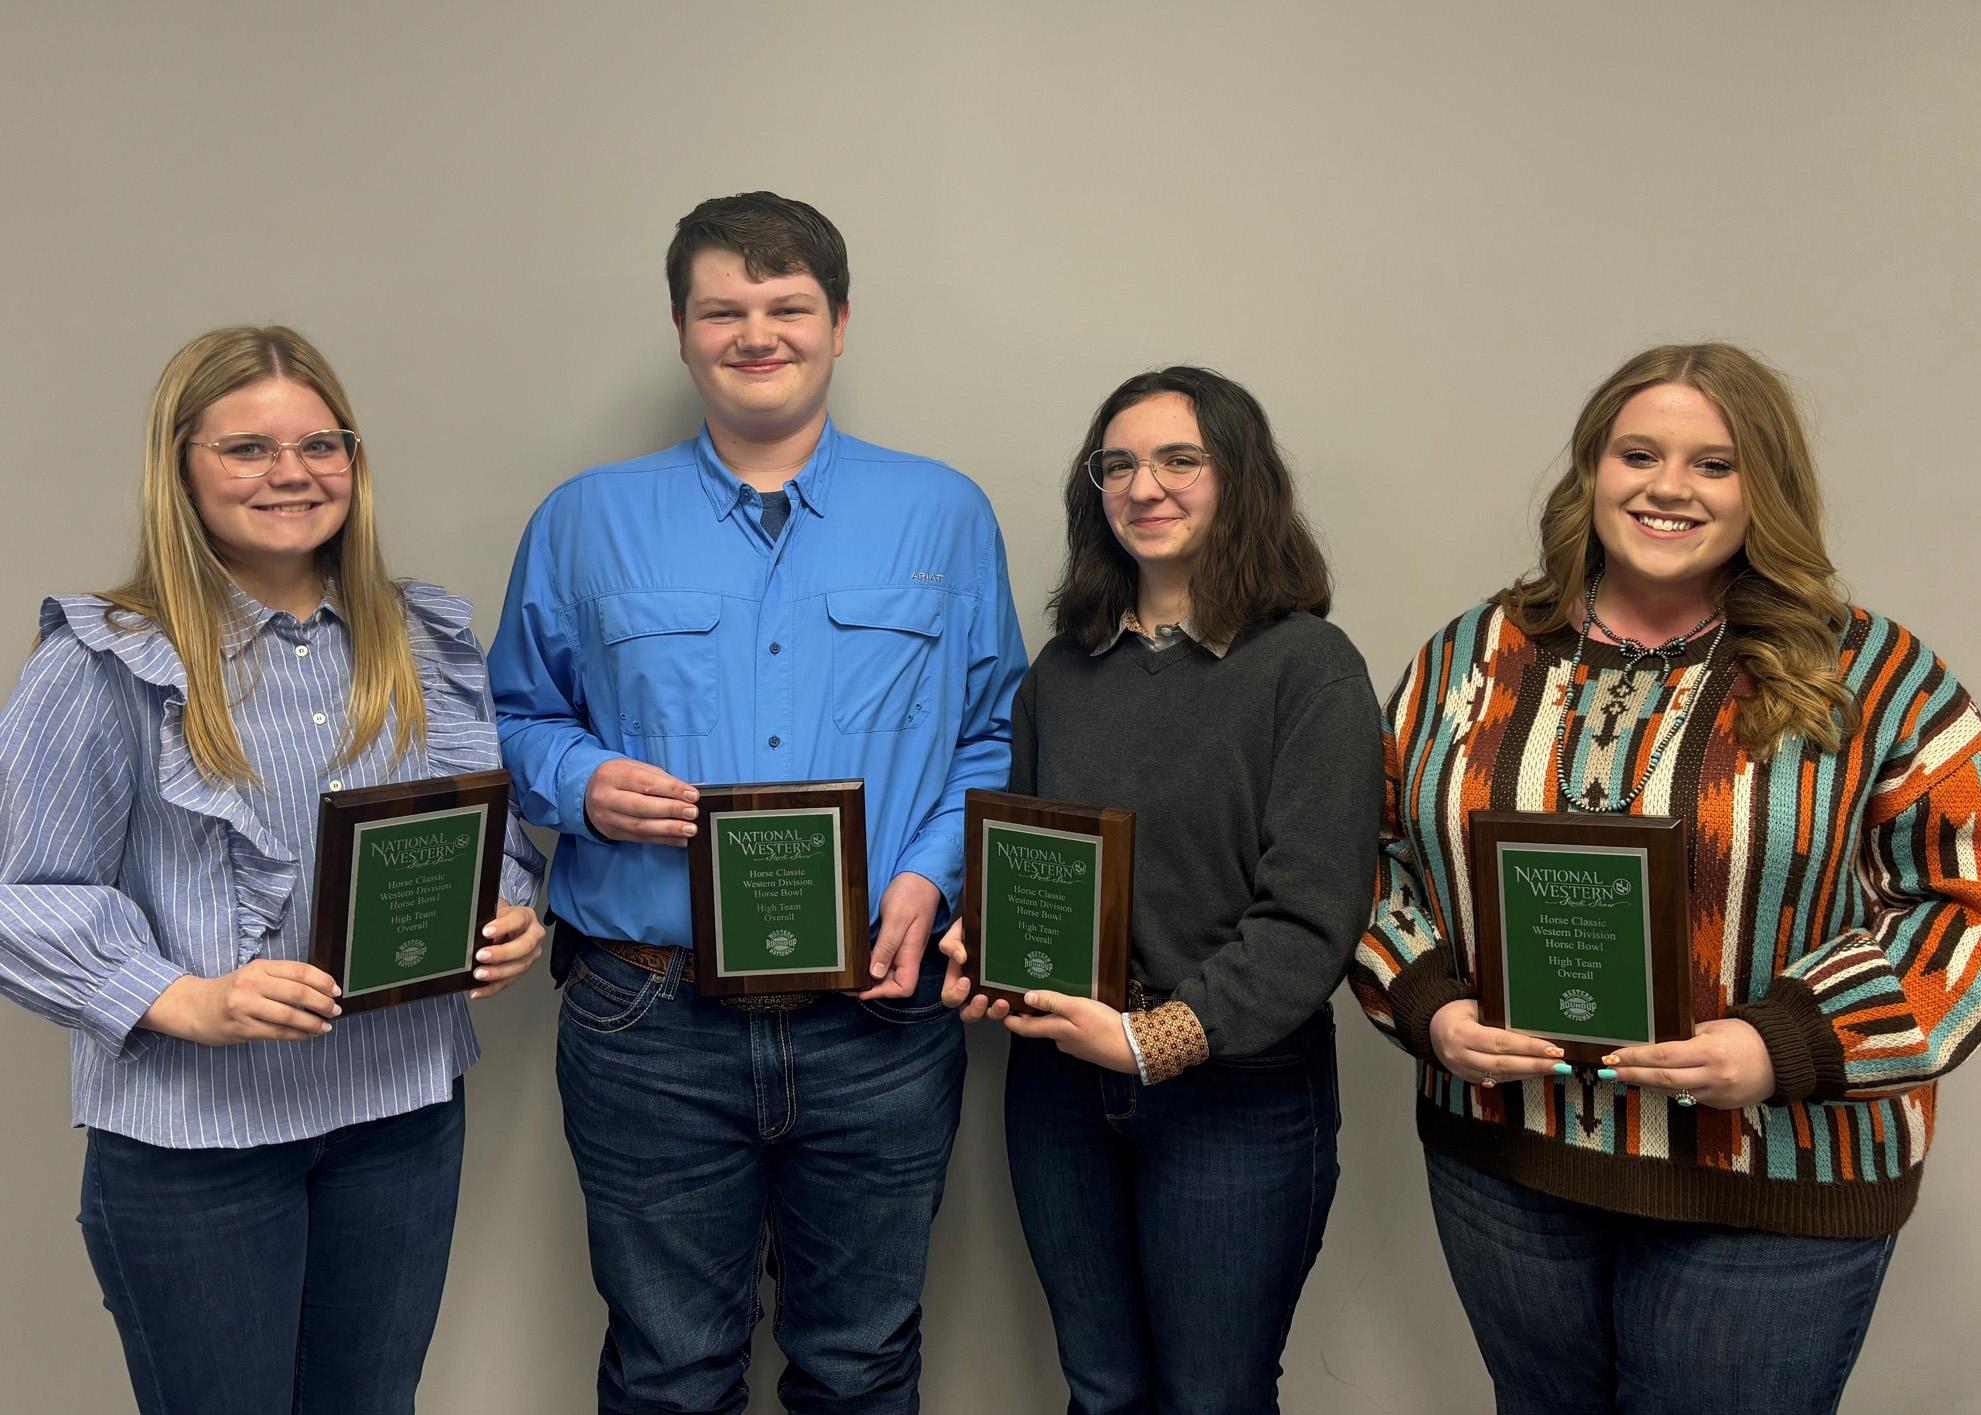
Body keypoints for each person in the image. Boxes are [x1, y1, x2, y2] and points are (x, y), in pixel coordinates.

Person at [1350, 343, 1981, 1414]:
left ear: (1763, 488)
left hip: (1772, 1178)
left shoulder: (1872, 673)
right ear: (1591, 468)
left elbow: (1957, 906)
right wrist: (1430, 1004)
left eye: (1714, 464)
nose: (1667, 487)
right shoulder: (1467, 656)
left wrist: (1779, 1044)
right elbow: (1371, 853)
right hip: (1507, 1156)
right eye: (1637, 452)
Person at [489, 190, 1027, 1415]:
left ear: (840, 323)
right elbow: (511, 722)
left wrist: (928, 872)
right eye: (722, 308)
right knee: (670, 1371)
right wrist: (580, 783)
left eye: (787, 306)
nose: (755, 332)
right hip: (648, 1018)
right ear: (680, 330)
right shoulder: (584, 521)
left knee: (861, 1363)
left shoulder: (942, 511)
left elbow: (993, 731)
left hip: (878, 1019)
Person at [0, 325, 547, 1415]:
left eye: (320, 442)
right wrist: (183, 996)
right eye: (246, 447)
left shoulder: (419, 636)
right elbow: (20, 894)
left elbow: (490, 830)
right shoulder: (104, 660)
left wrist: (511, 912)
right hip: (198, 1144)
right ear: (181, 466)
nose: (292, 471)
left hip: (400, 1117)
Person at [939, 366, 1383, 1414]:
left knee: (1212, 1396)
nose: (1146, 486)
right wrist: (985, 948)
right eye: (1118, 465)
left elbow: (1311, 914)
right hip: (1056, 1091)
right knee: (1100, 1389)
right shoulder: (1060, 672)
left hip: (1232, 1095)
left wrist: (1152, 1039)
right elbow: (1029, 866)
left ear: (1241, 479)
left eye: (1180, 459)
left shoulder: (1307, 666)